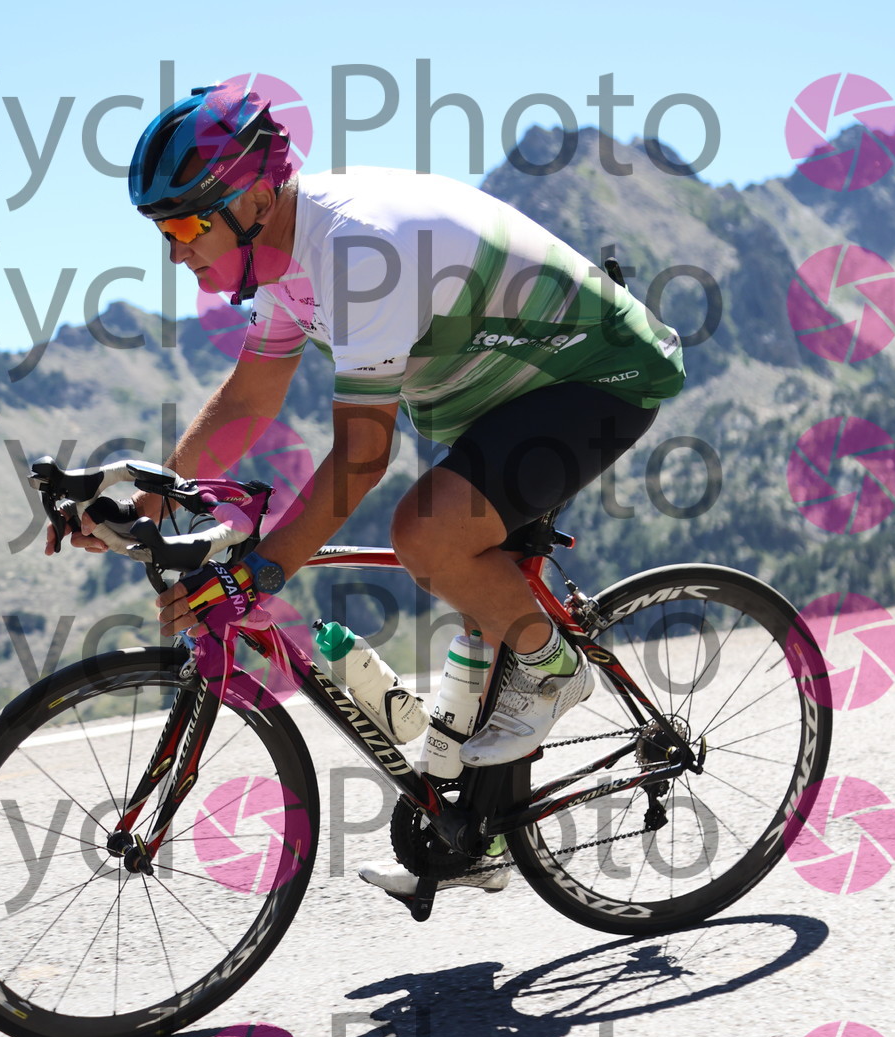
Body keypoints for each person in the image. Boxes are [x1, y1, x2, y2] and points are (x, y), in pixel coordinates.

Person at [49, 81, 685, 897]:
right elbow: (248, 400)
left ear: (251, 200)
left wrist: (258, 573)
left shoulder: (354, 252)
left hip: (596, 376)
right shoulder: (282, 260)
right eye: (160, 231)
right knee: (468, 579)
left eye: (184, 226)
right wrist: (141, 503)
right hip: (502, 396)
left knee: (428, 535)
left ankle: (553, 665)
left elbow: (360, 456)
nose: (174, 253)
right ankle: (480, 833)